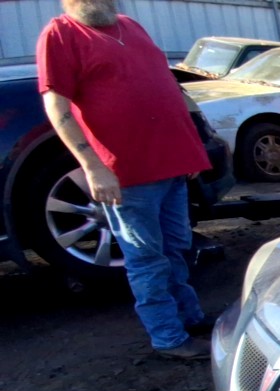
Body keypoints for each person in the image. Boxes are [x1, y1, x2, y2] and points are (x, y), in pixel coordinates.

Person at [37, 0, 214, 359]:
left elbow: (167, 88)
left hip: (172, 164)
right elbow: (57, 108)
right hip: (128, 173)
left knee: (176, 247)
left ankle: (189, 317)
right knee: (146, 258)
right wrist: (93, 166)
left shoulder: (131, 26)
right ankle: (168, 338)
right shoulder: (61, 33)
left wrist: (192, 147)